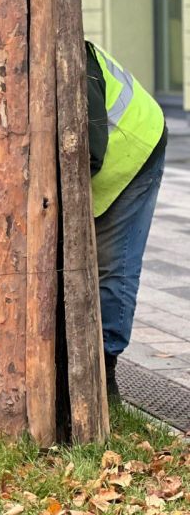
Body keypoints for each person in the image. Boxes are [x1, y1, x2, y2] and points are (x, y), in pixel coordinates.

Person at [86, 41, 167, 402]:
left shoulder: (73, 64)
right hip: (109, 153)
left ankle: (106, 369)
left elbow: (87, 155)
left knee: (114, 263)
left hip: (137, 148)